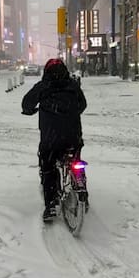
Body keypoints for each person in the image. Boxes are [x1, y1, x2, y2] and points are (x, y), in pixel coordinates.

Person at [22, 58, 87, 222]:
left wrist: (31, 110)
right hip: (73, 136)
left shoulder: (43, 87)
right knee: (76, 160)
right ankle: (82, 191)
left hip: (51, 138)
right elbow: (82, 104)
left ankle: (51, 204)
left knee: (48, 167)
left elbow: (27, 103)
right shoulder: (72, 85)